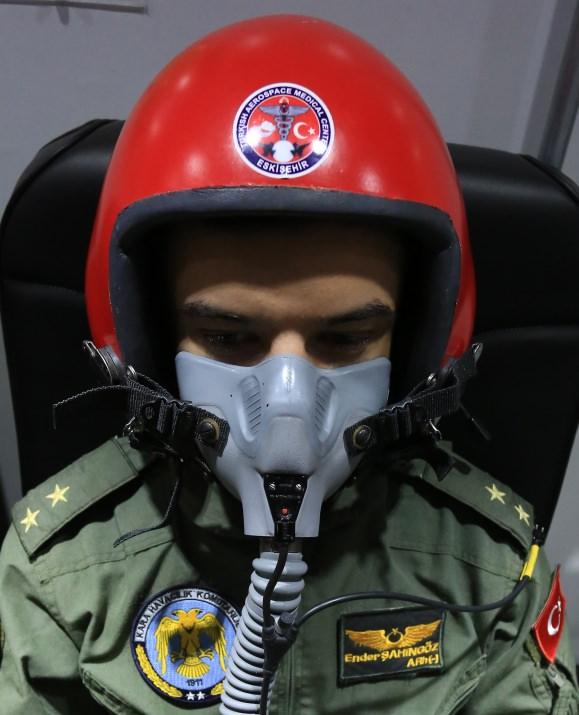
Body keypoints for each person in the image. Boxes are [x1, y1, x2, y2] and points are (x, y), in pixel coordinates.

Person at [0, 14, 577, 715]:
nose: (288, 402)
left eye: (346, 338)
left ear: (412, 344)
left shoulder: (490, 571)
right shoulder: (64, 572)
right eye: (226, 336)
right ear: (152, 335)